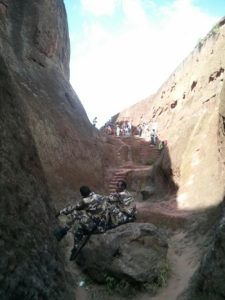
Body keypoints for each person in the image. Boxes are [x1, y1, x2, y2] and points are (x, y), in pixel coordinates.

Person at [54, 186, 109, 259]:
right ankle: (75, 249)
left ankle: (63, 232)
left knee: (75, 213)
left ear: (82, 194)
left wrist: (61, 212)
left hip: (94, 225)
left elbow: (74, 207)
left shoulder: (86, 200)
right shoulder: (99, 196)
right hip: (103, 223)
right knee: (80, 227)